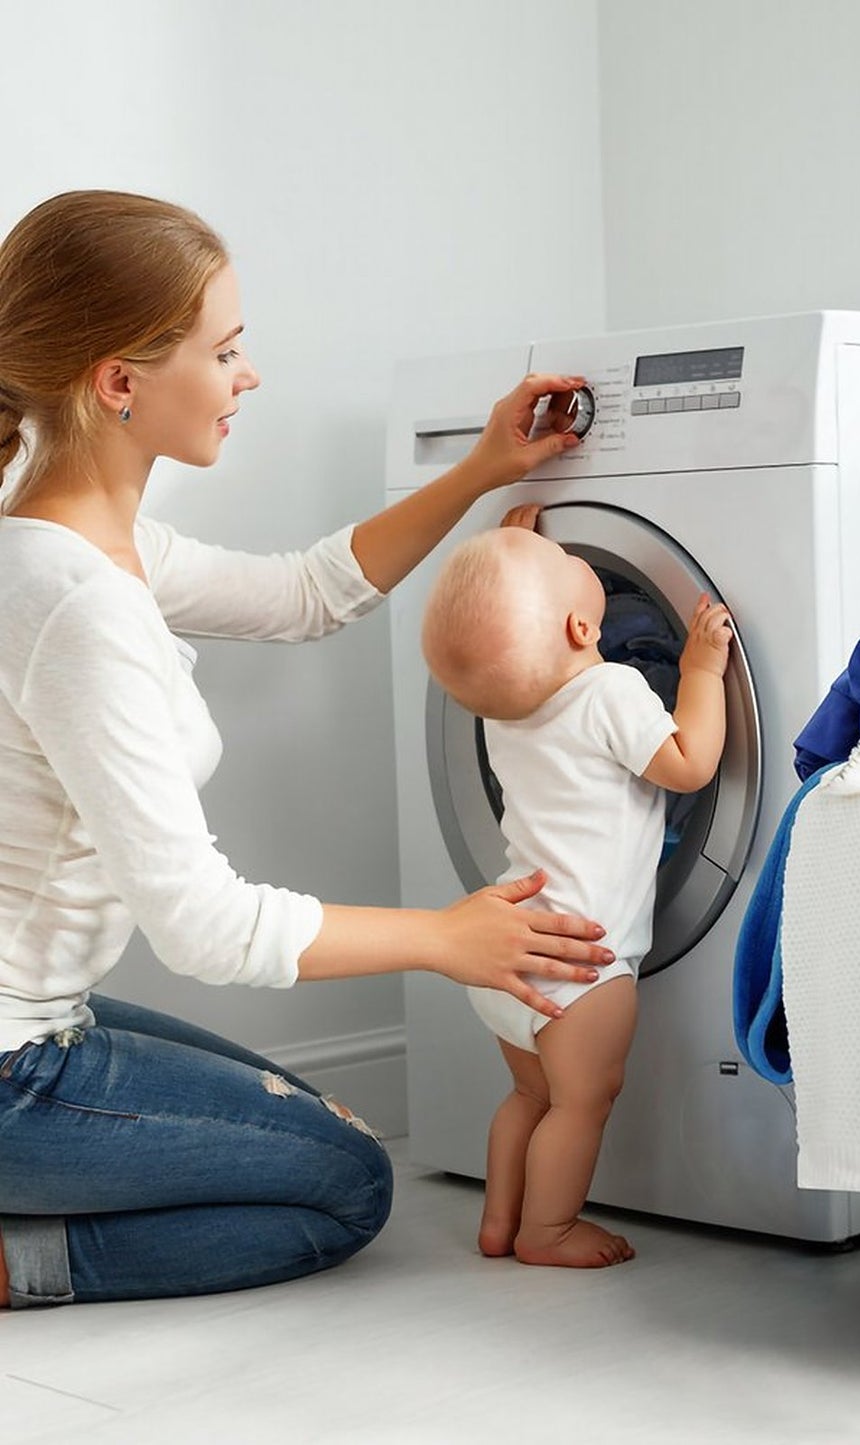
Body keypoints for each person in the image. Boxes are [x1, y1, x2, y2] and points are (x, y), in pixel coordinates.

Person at [0, 189, 617, 1309]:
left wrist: (484, 467)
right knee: (343, 1182)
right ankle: (17, 1257)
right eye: (225, 350)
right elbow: (203, 922)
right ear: (119, 381)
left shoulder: (77, 538)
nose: (251, 376)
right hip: (13, 1067)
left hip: (37, 1017)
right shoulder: (76, 602)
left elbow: (305, 593)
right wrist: (445, 937)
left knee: (307, 1120)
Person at [421, 518, 731, 1267]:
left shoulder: (503, 709)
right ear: (583, 625)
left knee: (528, 1098)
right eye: (564, 558)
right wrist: (697, 672)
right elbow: (687, 764)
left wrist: (510, 558)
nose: (570, 552)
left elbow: (504, 643)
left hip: (510, 945)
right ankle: (547, 1229)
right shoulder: (612, 689)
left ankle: (498, 1220)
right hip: (582, 963)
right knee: (582, 1102)